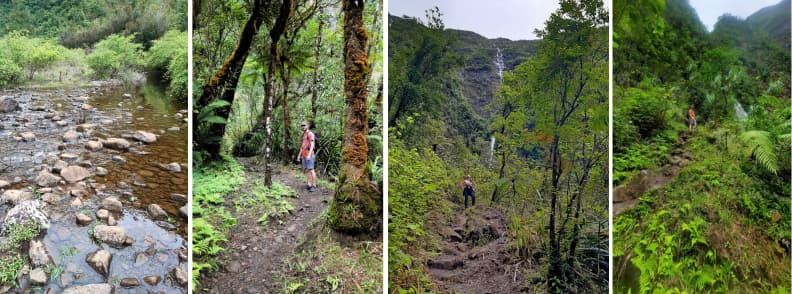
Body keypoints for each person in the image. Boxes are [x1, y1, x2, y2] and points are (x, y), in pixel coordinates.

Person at [296, 121, 318, 192]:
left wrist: (309, 155)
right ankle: (309, 184)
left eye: (304, 125)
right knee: (306, 169)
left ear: (307, 126)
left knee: (311, 170)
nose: (303, 127)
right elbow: (302, 146)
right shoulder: (304, 134)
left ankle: (314, 185)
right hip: (304, 155)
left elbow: (312, 144)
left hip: (309, 154)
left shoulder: (310, 134)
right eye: (302, 126)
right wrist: (299, 155)